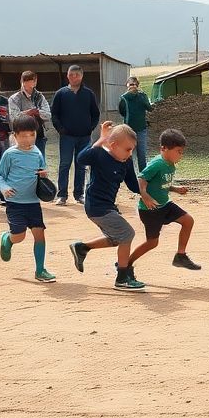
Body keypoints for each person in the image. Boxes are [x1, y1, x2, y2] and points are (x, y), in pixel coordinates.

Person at [68, 122, 144, 291]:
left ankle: (82, 248)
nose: (130, 153)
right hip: (96, 206)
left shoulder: (126, 161)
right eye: (127, 149)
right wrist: (100, 140)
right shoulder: (99, 154)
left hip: (107, 206)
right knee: (127, 233)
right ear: (113, 144)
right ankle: (122, 278)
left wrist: (152, 189)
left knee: (117, 238)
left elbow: (133, 185)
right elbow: (81, 159)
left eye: (132, 149)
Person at [128, 128, 200, 273]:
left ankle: (180, 256)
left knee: (188, 220)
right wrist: (145, 196)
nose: (181, 155)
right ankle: (125, 264)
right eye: (178, 151)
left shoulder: (170, 163)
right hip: (150, 210)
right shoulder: (157, 163)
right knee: (152, 243)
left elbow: (161, 184)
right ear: (164, 148)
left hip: (165, 204)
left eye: (181, 152)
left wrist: (175, 189)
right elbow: (142, 178)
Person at [0, 113, 55, 283]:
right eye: (23, 136)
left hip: (33, 202)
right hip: (15, 203)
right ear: (14, 136)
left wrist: (44, 175)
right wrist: (5, 188)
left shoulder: (37, 152)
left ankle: (40, 270)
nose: (28, 139)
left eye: (32, 135)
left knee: (39, 234)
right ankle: (7, 239)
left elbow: (42, 171)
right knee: (19, 236)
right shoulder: (9, 154)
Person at [50, 64, 100, 206]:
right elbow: (55, 114)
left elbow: (95, 114)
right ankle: (62, 195)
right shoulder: (61, 93)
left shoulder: (88, 94)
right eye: (71, 75)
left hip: (84, 137)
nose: (73, 77)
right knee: (64, 164)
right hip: (66, 137)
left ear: (81, 76)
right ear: (67, 76)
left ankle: (79, 194)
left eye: (76, 75)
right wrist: (60, 129)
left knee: (81, 165)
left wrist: (90, 128)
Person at [8, 70, 50, 162]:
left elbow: (48, 115)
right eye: (25, 80)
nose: (28, 83)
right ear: (21, 81)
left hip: (39, 136)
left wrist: (37, 112)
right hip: (21, 137)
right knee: (22, 163)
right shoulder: (14, 98)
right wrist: (29, 112)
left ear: (35, 81)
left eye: (31, 80)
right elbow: (14, 118)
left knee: (39, 164)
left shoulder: (40, 97)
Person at [119, 76, 152, 172]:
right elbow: (122, 112)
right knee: (127, 155)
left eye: (134, 84)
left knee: (141, 155)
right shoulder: (124, 98)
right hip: (128, 131)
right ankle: (129, 177)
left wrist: (143, 99)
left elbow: (149, 108)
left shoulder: (142, 96)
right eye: (130, 85)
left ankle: (143, 177)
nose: (132, 87)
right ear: (127, 86)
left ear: (137, 86)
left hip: (141, 129)